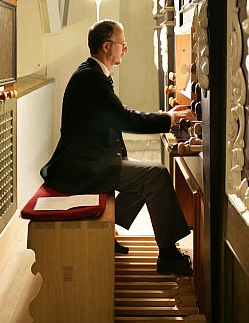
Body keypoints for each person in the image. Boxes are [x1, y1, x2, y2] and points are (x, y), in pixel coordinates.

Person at [41, 19, 195, 275]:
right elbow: (123, 118)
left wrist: (166, 116)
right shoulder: (91, 78)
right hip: (82, 168)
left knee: (146, 174)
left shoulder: (93, 73)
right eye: (122, 44)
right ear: (106, 46)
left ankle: (107, 229)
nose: (126, 49)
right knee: (156, 175)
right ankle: (168, 257)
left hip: (90, 160)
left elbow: (115, 117)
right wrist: (169, 119)